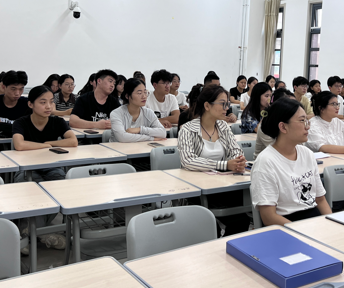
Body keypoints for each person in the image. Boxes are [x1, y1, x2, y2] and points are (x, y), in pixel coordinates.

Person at [251, 97, 344, 288]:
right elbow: (268, 216)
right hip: (285, 228)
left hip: (313, 222)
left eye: (307, 120)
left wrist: (334, 225)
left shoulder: (306, 154)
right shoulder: (266, 162)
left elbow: (320, 200)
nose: (307, 126)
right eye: (302, 121)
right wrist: (305, 235)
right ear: (283, 127)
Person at [178, 85, 250, 236]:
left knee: (241, 220)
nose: (227, 108)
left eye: (227, 104)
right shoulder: (187, 129)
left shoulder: (223, 126)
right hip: (198, 189)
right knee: (213, 226)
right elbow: (188, 160)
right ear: (207, 106)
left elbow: (236, 150)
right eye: (222, 104)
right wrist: (224, 165)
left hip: (223, 186)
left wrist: (238, 160)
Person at [12, 85, 78, 251]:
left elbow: (73, 141)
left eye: (51, 102)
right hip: (27, 168)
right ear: (30, 104)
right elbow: (19, 145)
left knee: (59, 188)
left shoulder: (57, 121)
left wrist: (48, 143)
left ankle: (31, 233)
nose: (48, 106)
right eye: (43, 102)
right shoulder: (21, 122)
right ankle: (40, 233)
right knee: (31, 190)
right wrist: (45, 145)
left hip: (51, 167)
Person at [110, 78, 167, 143]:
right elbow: (122, 137)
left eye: (145, 92)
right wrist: (151, 138)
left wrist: (140, 129)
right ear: (127, 96)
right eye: (139, 93)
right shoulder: (116, 113)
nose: (144, 96)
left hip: (141, 147)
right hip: (118, 148)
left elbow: (163, 133)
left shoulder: (148, 112)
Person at [254, 88, 296, 159]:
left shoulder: (293, 123)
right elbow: (280, 151)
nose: (296, 109)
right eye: (291, 106)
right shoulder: (265, 127)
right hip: (268, 162)